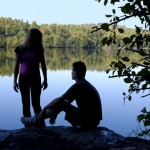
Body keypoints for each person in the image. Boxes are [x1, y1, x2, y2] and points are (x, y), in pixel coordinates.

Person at [21, 61, 102, 129]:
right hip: (93, 121)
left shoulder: (79, 85)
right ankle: (36, 119)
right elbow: (67, 101)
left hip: (89, 121)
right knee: (62, 103)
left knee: (60, 102)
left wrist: (44, 109)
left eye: (72, 70)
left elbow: (60, 100)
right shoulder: (84, 84)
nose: (71, 72)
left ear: (76, 73)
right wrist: (55, 113)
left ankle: (36, 119)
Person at [13, 28, 48, 128]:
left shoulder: (39, 49)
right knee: (25, 104)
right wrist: (14, 81)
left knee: (36, 104)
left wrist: (45, 80)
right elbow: (16, 66)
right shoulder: (20, 49)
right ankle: (27, 127)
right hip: (23, 79)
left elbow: (43, 65)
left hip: (36, 78)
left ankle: (41, 126)